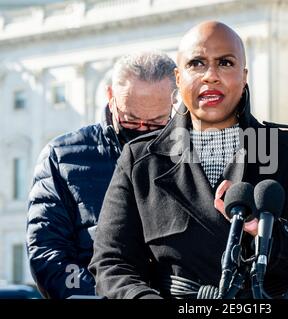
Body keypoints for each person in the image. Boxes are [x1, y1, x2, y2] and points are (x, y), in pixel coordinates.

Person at [89, 21, 288, 299]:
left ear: (244, 75)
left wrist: (268, 237)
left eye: (225, 63)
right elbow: (111, 264)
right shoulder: (140, 160)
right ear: (178, 78)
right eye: (197, 63)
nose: (210, 75)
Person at [26, 51, 176, 299]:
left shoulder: (191, 153)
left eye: (156, 123)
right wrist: (109, 296)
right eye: (130, 119)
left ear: (174, 103)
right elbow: (48, 253)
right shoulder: (61, 156)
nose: (141, 131)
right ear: (110, 97)